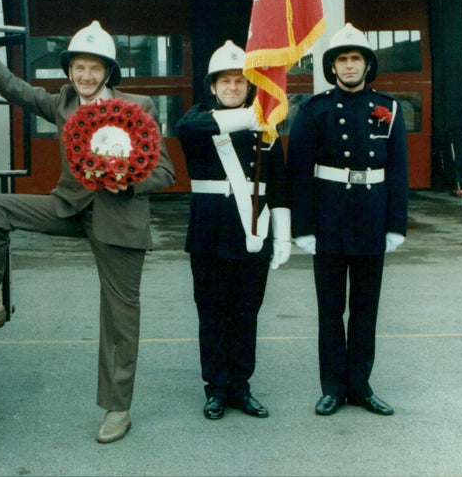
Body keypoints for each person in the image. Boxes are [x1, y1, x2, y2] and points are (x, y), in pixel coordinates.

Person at [0, 14, 175, 443]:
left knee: (119, 317)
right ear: (69, 71)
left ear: (108, 72)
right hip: (68, 208)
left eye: (94, 68)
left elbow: (165, 172)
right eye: (78, 67)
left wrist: (129, 182)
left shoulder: (137, 107)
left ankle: (117, 409)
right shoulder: (64, 102)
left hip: (118, 220)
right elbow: (15, 89)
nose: (85, 76)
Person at [287, 23, 408, 417]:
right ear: (332, 66)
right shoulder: (314, 109)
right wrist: (302, 228)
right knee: (330, 308)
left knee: (366, 308)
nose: (350, 65)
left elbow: (399, 171)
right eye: (343, 59)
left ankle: (361, 386)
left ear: (367, 65)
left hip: (372, 217)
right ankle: (333, 388)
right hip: (329, 218)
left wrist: (396, 224)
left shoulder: (388, 107)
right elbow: (299, 172)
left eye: (357, 58)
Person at [175, 40, 290, 421]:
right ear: (212, 86)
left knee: (245, 313)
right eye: (224, 81)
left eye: (240, 81)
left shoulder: (266, 127)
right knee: (211, 313)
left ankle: (241, 386)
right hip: (209, 234)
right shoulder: (198, 118)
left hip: (252, 231)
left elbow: (280, 184)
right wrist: (249, 117)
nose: (232, 88)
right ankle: (215, 389)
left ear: (250, 85)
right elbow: (186, 128)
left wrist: (283, 234)